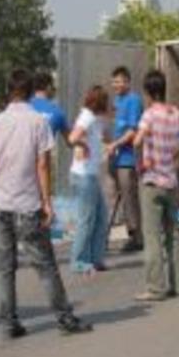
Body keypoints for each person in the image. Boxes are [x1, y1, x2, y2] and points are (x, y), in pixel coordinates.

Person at [0, 69, 92, 339]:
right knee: (45, 266)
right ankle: (64, 318)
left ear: (8, 91)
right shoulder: (38, 122)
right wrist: (47, 202)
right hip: (28, 205)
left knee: (6, 267)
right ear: (30, 93)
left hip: (0, 205)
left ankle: (9, 322)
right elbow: (42, 165)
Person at [133, 70, 179, 302]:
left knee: (152, 237)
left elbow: (137, 140)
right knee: (173, 234)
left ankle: (155, 288)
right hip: (171, 181)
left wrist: (141, 163)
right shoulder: (175, 113)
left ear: (148, 92)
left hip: (151, 181)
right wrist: (176, 154)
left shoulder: (149, 115)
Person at [67, 86, 110, 275]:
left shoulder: (94, 118)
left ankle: (95, 258)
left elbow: (104, 134)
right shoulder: (87, 117)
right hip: (84, 176)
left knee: (101, 216)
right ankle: (78, 261)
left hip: (90, 175)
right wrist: (83, 144)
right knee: (87, 219)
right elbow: (72, 137)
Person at [106, 66, 144, 253]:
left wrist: (115, 145)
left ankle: (136, 236)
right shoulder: (116, 101)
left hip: (128, 159)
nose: (116, 85)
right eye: (114, 81)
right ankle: (104, 235)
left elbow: (132, 131)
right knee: (112, 197)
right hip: (114, 157)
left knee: (129, 198)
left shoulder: (134, 100)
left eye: (120, 81)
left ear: (128, 82)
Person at [30, 72, 70, 144]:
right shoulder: (57, 112)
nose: (54, 90)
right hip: (45, 154)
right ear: (48, 87)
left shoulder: (24, 107)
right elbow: (70, 141)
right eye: (53, 87)